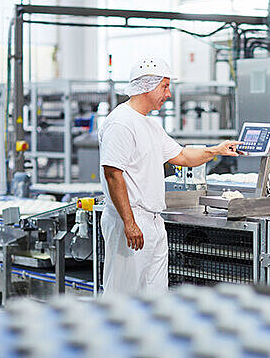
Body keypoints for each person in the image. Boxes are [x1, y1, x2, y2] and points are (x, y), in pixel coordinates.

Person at [98, 57, 241, 294]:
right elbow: (113, 174)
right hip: (131, 221)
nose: (169, 94)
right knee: (123, 296)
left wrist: (216, 150)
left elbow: (183, 156)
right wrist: (129, 222)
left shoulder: (151, 126)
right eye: (164, 86)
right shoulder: (121, 123)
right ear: (147, 86)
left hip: (153, 220)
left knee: (155, 293)